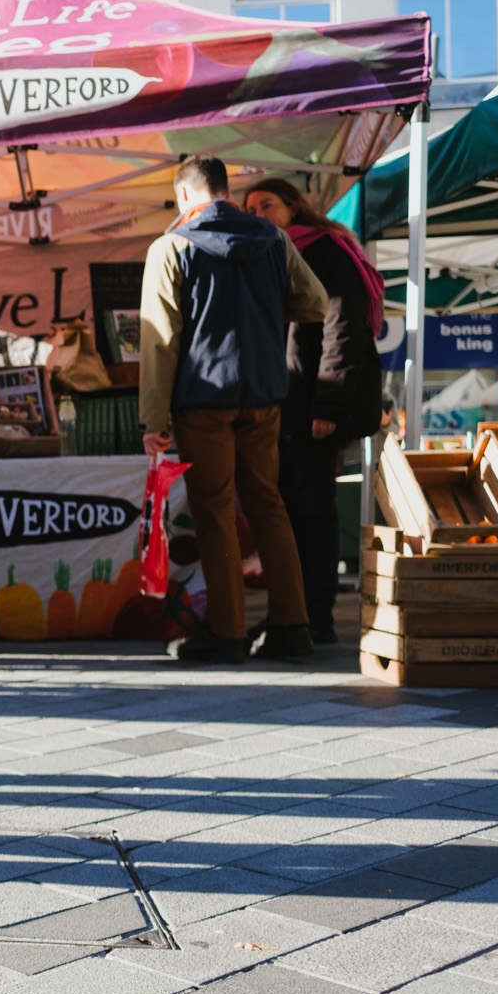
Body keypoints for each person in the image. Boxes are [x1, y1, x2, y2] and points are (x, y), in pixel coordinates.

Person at [139, 156, 329, 664]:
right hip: (264, 397)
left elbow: (160, 341)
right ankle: (293, 627)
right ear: (225, 190)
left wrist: (153, 421)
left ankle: (226, 633)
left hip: (202, 401)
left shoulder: (171, 246)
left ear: (184, 196)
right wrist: (261, 311)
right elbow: (315, 303)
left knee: (216, 513)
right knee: (269, 505)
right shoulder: (273, 239)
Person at [241, 177, 385, 645]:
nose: (258, 213)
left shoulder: (326, 250)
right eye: (251, 207)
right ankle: (291, 614)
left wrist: (328, 403)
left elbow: (343, 331)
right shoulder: (267, 257)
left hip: (311, 406)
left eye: (268, 204)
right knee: (284, 510)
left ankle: (315, 616)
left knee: (312, 509)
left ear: (294, 207)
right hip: (277, 404)